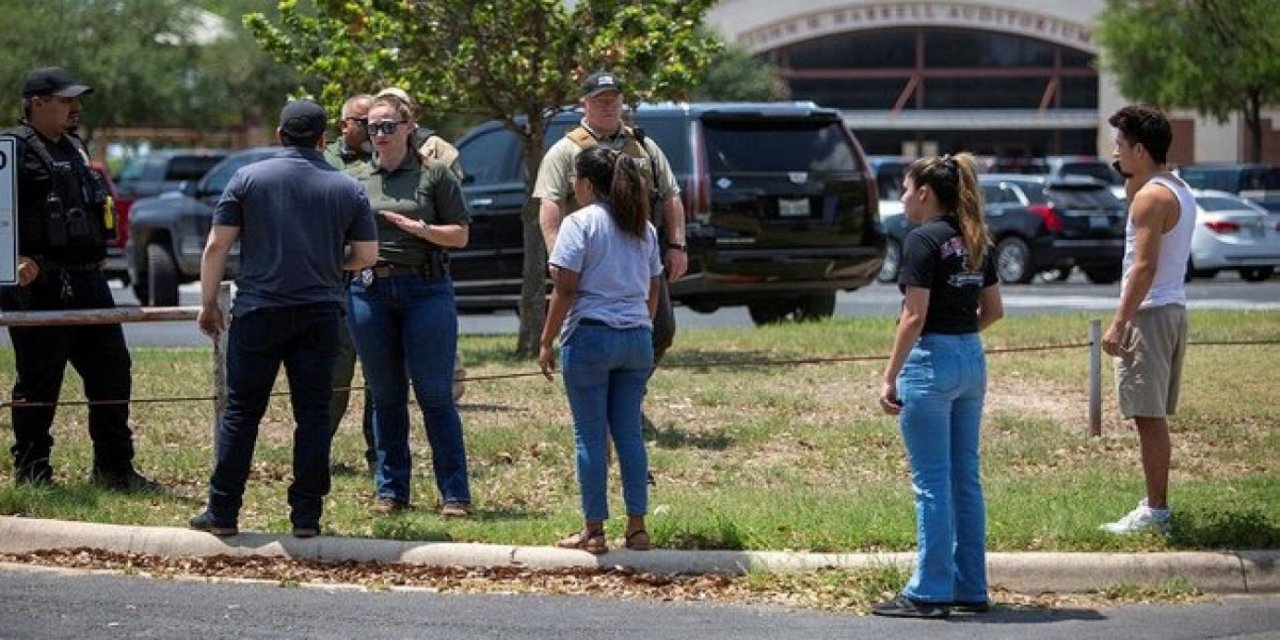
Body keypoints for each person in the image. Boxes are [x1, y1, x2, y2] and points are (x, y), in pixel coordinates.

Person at [188, 100, 378, 538]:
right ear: (322, 139)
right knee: (312, 414)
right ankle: (306, 516)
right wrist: (331, 263)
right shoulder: (347, 187)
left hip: (258, 310)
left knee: (241, 412)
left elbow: (217, 246)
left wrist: (208, 303)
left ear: (278, 135)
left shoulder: (247, 178)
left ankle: (223, 510)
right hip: (319, 313)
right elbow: (367, 255)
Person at [1, 66, 158, 491]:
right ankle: (33, 473)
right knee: (39, 382)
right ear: (36, 103)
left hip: (90, 281)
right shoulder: (11, 150)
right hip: (42, 287)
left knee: (112, 373)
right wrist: (10, 258)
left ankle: (115, 470)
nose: (76, 107)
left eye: (77, 100)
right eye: (66, 100)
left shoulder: (74, 145)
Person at [874, 153, 1003, 618]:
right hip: (971, 358)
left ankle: (929, 591)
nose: (904, 198)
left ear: (924, 193)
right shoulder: (974, 238)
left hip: (931, 362)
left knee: (931, 483)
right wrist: (960, 339)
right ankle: (971, 586)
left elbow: (913, 315)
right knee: (964, 478)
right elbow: (993, 310)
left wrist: (889, 376)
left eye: (906, 189)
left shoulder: (921, 240)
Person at [346, 95, 473, 517]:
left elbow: (460, 235)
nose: (379, 134)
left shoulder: (434, 175)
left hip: (425, 290)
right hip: (369, 292)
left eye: (387, 126)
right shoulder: (354, 178)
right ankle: (392, 490)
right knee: (385, 396)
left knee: (435, 394)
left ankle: (454, 494)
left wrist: (421, 229)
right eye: (372, 127)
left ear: (408, 126)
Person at [538, 146, 663, 555]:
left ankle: (593, 531)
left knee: (589, 436)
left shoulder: (579, 224)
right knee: (629, 433)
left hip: (591, 335)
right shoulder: (643, 227)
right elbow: (654, 286)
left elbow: (566, 287)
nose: (573, 185)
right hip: (637, 339)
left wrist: (546, 339)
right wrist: (639, 322)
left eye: (576, 178)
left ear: (587, 182)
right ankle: (638, 528)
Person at [534, 71, 686, 368]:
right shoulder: (566, 150)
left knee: (661, 329)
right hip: (589, 255)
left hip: (639, 253)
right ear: (584, 104)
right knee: (590, 329)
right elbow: (549, 205)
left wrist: (677, 245)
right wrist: (556, 255)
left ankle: (631, 389)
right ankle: (599, 390)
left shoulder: (644, 147)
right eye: (599, 100)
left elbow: (671, 195)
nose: (607, 106)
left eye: (613, 99)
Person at [1099, 104, 1195, 535]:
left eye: (1120, 145)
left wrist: (1120, 321)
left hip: (1150, 313)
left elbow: (1143, 266)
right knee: (1150, 415)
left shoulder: (1150, 198)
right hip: (1170, 309)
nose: (1115, 153)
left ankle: (1157, 512)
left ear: (1139, 149)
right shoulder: (1176, 187)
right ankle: (1156, 504)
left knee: (1147, 417)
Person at [324, 93, 378, 472]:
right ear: (345, 125)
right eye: (365, 123)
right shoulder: (327, 161)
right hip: (340, 279)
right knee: (335, 376)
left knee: (381, 377)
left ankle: (380, 456)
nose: (374, 130)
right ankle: (316, 450)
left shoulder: (390, 156)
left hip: (380, 280)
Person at [374, 87, 464, 181]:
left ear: (410, 112)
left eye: (398, 108)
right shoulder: (374, 147)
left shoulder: (435, 146)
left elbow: (454, 187)